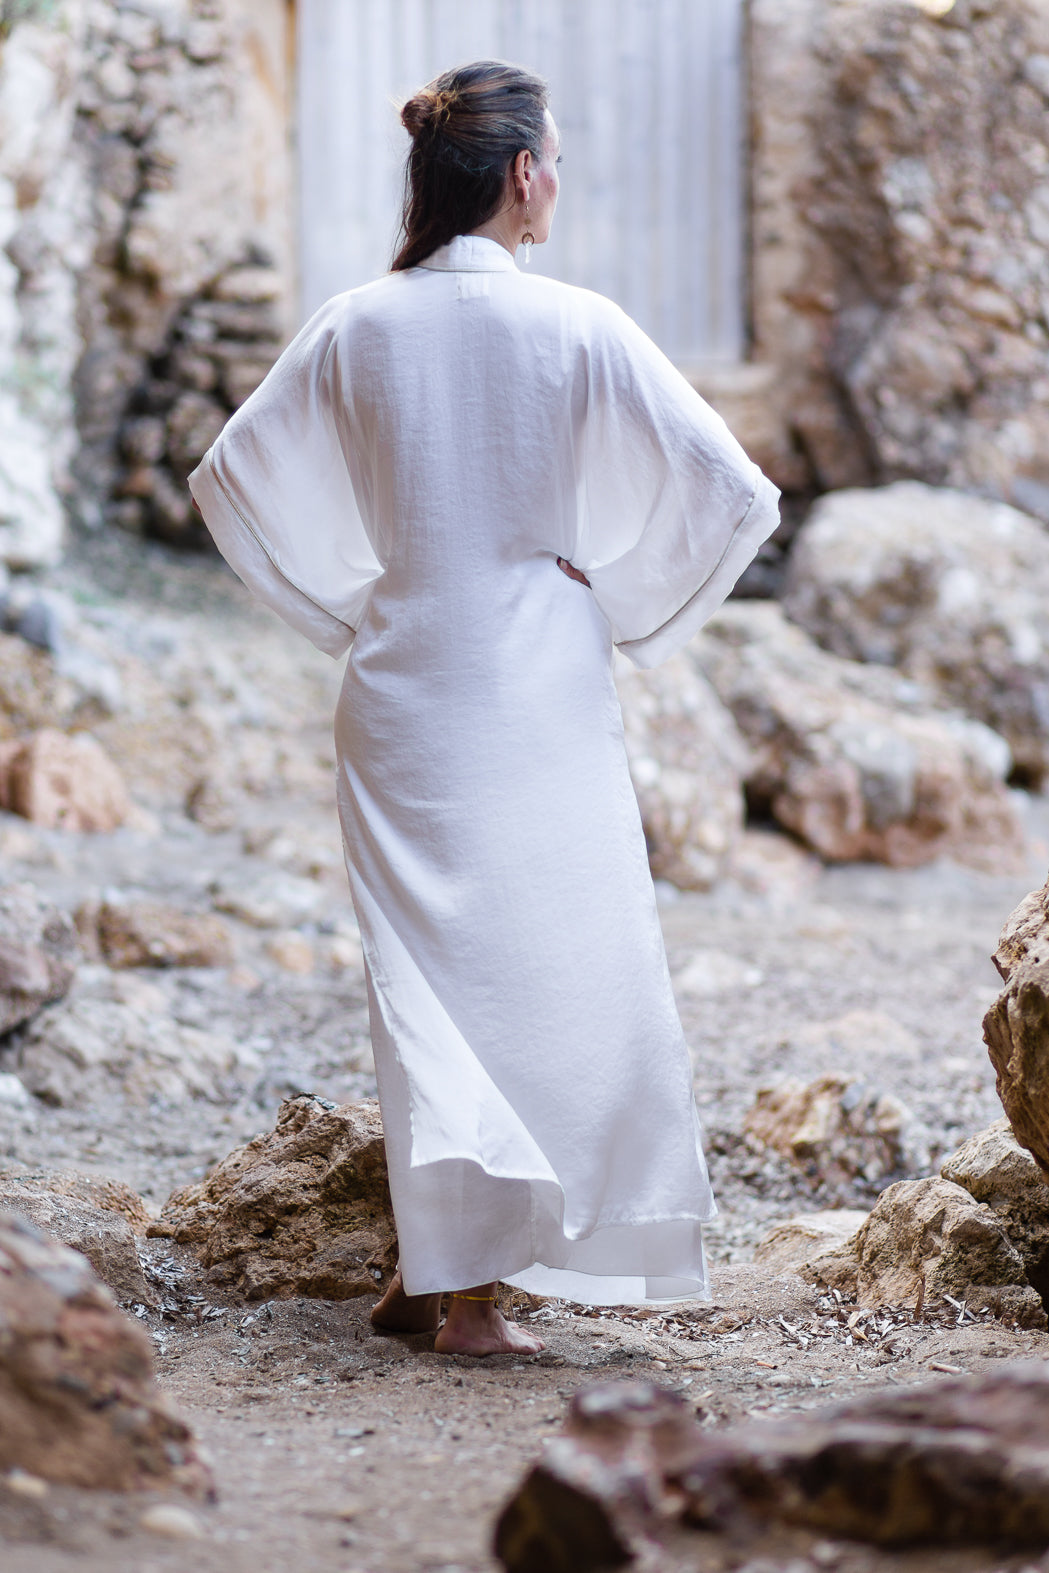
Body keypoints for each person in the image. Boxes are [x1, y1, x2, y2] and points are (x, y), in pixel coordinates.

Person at [189, 60, 781, 1357]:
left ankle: (438, 1265)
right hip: (539, 691)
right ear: (521, 174)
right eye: (552, 159)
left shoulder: (354, 322)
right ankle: (470, 1300)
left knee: (423, 988)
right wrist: (610, 594)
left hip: (404, 688)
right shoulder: (576, 326)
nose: (557, 179)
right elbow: (734, 494)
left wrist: (357, 602)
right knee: (557, 978)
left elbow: (229, 479)